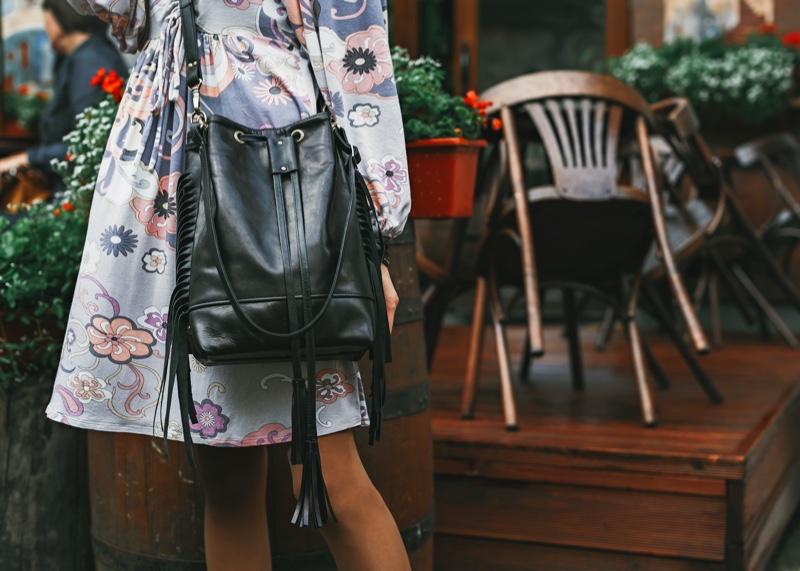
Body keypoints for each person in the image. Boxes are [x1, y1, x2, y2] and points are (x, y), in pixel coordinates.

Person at [45, 1, 412, 570]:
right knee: (227, 480)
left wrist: (374, 239)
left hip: (282, 199)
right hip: (174, 211)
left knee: (330, 480)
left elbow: (359, 72)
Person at [0, 0, 126, 185]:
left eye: (46, 17)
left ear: (59, 17)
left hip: (74, 186)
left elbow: (83, 145)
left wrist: (25, 158)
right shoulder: (75, 57)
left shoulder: (90, 62)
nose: (45, 26)